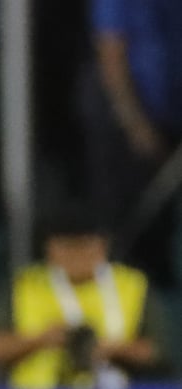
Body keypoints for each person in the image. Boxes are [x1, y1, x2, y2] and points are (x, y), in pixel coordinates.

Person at [0, 203, 176, 389]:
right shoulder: (25, 286)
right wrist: (41, 339)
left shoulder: (132, 285)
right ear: (49, 248)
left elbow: (158, 351)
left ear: (103, 246)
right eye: (66, 247)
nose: (76, 255)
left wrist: (112, 349)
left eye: (84, 246)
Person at [82, 0, 182, 289]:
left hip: (169, 120)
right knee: (128, 236)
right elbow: (110, 50)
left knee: (161, 240)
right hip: (125, 128)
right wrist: (136, 125)